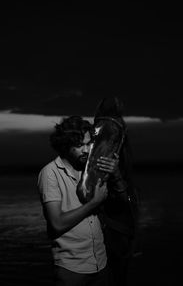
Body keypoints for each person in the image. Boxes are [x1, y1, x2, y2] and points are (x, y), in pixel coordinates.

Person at [37, 115, 110, 286]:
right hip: (72, 269)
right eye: (79, 146)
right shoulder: (50, 174)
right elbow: (57, 223)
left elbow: (112, 206)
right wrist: (93, 203)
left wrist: (113, 172)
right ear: (64, 145)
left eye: (88, 144)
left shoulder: (91, 167)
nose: (86, 150)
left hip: (101, 262)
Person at [94, 97, 140, 286]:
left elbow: (126, 198)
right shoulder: (105, 131)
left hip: (118, 219)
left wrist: (116, 174)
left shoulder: (115, 133)